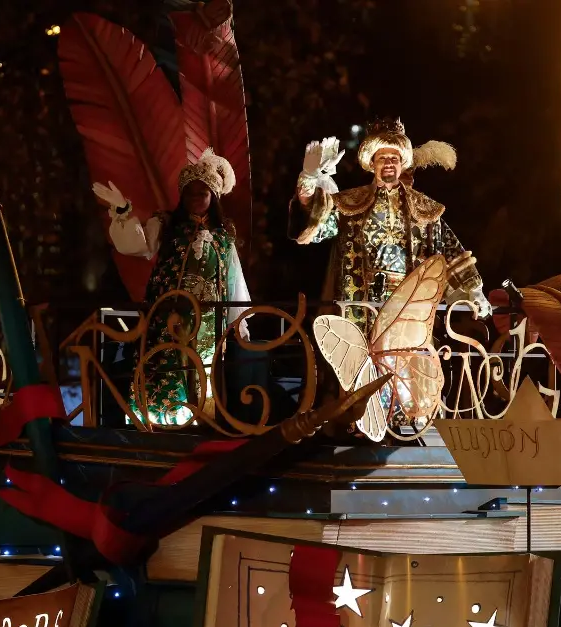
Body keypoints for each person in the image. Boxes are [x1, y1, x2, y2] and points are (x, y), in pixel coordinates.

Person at [92, 148, 251, 426]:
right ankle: (159, 422)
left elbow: (233, 279)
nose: (195, 198)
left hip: (207, 322)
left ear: (213, 196)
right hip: (167, 315)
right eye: (189, 193)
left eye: (202, 193)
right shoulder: (166, 225)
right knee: (164, 366)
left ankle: (201, 421)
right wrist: (122, 212)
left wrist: (238, 322)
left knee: (202, 371)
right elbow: (138, 245)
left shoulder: (224, 237)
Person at [291, 118, 490, 330]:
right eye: (382, 158)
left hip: (408, 310)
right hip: (358, 307)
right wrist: (307, 181)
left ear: (401, 164)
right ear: (372, 164)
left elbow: (450, 249)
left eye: (394, 158)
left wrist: (474, 290)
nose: (388, 163)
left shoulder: (423, 208)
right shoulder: (350, 204)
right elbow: (316, 228)